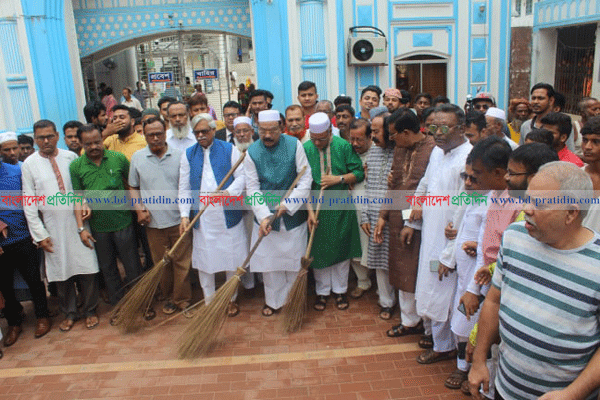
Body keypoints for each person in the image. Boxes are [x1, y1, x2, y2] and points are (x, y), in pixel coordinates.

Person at [469, 161, 600, 400]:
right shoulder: (514, 236)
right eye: (527, 198)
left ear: (570, 213)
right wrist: (479, 360)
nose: (526, 208)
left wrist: (571, 394)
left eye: (538, 203)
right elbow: (493, 301)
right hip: (505, 389)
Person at [444, 137, 509, 391]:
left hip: (483, 282)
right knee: (463, 326)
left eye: (475, 176)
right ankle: (466, 368)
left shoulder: (504, 200)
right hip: (470, 278)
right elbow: (480, 236)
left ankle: (481, 379)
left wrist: (474, 289)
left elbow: (490, 249)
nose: (469, 182)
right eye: (466, 176)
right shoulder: (487, 194)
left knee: (478, 330)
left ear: (498, 173)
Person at [22, 119, 100, 331]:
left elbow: (80, 189)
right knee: (61, 273)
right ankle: (70, 313)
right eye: (41, 138)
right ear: (35, 139)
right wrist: (39, 234)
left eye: (49, 136)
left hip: (78, 222)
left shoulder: (71, 157)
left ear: (57, 136)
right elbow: (29, 202)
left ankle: (90, 310)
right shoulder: (29, 164)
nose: (46, 141)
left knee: (87, 268)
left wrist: (84, 205)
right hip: (52, 227)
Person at [409, 104, 472, 364]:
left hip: (450, 243)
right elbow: (426, 180)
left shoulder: (470, 158)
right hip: (430, 235)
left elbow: (464, 208)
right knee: (431, 286)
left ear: (462, 128)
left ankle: (447, 347)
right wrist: (417, 203)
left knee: (445, 291)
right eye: (433, 128)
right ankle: (437, 339)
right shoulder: (437, 151)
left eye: (444, 128)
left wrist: (449, 252)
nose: (438, 133)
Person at [244, 109, 312, 316]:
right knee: (270, 265)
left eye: (272, 130)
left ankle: (294, 302)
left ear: (281, 128)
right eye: (262, 130)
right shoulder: (252, 152)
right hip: (266, 216)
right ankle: (274, 302)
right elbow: (252, 187)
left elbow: (306, 177)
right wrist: (264, 215)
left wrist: (289, 204)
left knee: (293, 263)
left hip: (293, 217)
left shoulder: (294, 145)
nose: (267, 135)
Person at [178, 113, 247, 316]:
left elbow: (242, 176)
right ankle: (209, 303)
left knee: (231, 259)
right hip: (203, 219)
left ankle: (229, 300)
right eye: (197, 132)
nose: (200, 136)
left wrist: (229, 192)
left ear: (213, 131)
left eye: (204, 131)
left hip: (227, 215)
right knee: (205, 263)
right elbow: (183, 187)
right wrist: (184, 215)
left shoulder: (229, 149)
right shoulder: (188, 154)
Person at [376, 109, 436, 338]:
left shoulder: (434, 150)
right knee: (402, 271)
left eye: (394, 135)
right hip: (397, 219)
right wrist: (382, 215)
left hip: (424, 221)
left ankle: (428, 324)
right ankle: (410, 321)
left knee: (422, 272)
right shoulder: (400, 149)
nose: (391, 140)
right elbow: (393, 182)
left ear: (408, 132)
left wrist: (413, 221)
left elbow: (427, 190)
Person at [70, 124, 144, 308]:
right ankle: (119, 306)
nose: (94, 147)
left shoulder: (118, 159)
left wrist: (139, 209)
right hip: (98, 228)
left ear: (102, 140)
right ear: (81, 144)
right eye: (88, 144)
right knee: (108, 269)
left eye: (97, 142)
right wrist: (81, 229)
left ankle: (141, 304)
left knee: (133, 266)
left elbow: (132, 185)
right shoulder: (76, 166)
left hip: (124, 223)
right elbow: (77, 197)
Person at [129, 117, 192, 314]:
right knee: (162, 263)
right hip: (153, 223)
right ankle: (168, 298)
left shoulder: (180, 155)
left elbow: (186, 187)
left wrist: (185, 216)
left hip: (178, 221)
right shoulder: (138, 158)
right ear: (144, 135)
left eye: (159, 134)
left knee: (182, 263)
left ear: (166, 132)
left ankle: (182, 300)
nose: (155, 138)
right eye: (150, 135)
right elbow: (132, 186)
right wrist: (139, 209)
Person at [304, 112, 364, 311]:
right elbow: (301, 184)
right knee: (319, 251)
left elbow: (358, 172)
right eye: (314, 139)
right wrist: (309, 212)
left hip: (340, 208)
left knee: (341, 251)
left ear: (330, 132)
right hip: (317, 209)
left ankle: (340, 291)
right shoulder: (305, 148)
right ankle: (322, 293)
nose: (317, 143)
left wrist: (337, 179)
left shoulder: (343, 146)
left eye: (321, 139)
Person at [0, 157, 52, 347]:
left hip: (23, 237)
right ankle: (14, 323)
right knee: (4, 285)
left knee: (34, 280)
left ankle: (42, 316)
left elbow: (31, 201)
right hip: (0, 245)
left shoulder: (17, 172)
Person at [360, 113, 395, 319]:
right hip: (374, 215)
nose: (372, 136)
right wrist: (365, 215)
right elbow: (367, 186)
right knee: (381, 263)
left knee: (396, 262)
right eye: (371, 131)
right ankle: (386, 302)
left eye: (376, 131)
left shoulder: (400, 152)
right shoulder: (373, 152)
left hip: (395, 215)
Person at [347, 119, 373, 299]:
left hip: (373, 207)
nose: (355, 144)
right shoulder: (347, 152)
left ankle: (379, 283)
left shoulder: (379, 153)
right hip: (351, 207)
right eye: (352, 139)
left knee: (373, 244)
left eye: (359, 140)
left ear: (370, 137)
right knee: (356, 244)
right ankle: (362, 281)